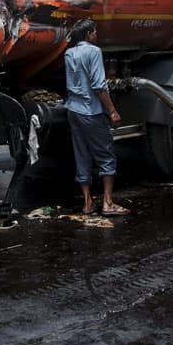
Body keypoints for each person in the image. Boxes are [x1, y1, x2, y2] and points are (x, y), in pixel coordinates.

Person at [64, 19, 130, 216]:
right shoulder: (94, 51)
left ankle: (87, 203)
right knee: (106, 155)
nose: (96, 35)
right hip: (90, 111)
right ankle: (108, 203)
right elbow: (99, 86)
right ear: (88, 35)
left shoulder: (69, 53)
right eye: (94, 32)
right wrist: (112, 111)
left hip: (73, 110)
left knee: (81, 154)